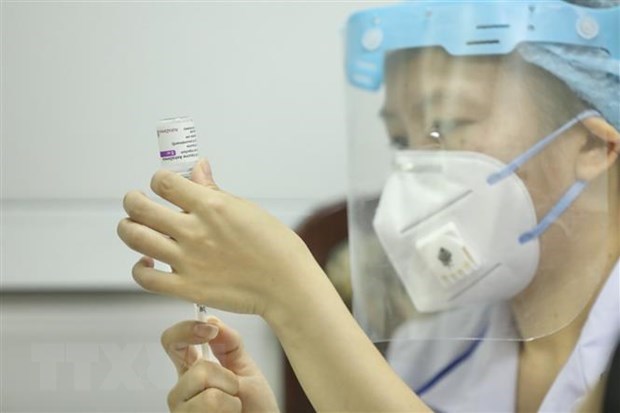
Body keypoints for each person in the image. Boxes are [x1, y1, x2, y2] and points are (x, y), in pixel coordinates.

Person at [118, 1, 619, 411]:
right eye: (402, 137)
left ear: (594, 146)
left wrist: (291, 293)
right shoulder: (431, 350)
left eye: (448, 125)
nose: (416, 170)